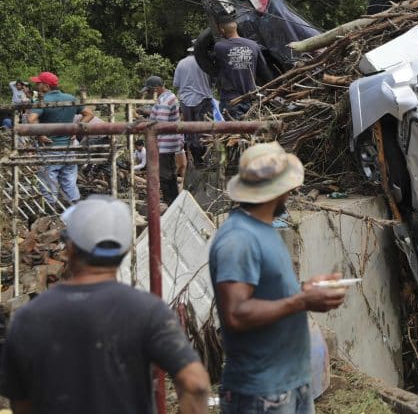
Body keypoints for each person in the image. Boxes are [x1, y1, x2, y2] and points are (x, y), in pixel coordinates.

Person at [0, 195, 211, 413]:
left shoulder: (29, 316)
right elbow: (195, 384)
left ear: (70, 248)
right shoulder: (148, 311)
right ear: (126, 250)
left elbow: (21, 402)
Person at [210, 142, 346, 414]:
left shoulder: (263, 229)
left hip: (289, 384)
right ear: (278, 191)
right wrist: (302, 300)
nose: (293, 191)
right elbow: (236, 314)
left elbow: (268, 294)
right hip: (261, 394)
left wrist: (305, 289)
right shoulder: (238, 240)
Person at [26, 71, 94, 206]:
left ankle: (50, 213)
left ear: (46, 86)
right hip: (69, 147)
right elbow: (89, 114)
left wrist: (40, 134)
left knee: (48, 183)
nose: (36, 86)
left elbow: (31, 118)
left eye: (38, 84)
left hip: (50, 148)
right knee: (69, 181)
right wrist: (76, 128)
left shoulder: (43, 100)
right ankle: (75, 211)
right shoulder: (70, 97)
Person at [213, 20, 272, 119]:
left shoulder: (219, 47)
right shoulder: (254, 45)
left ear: (222, 30)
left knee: (235, 132)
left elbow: (214, 67)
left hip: (231, 100)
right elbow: (264, 72)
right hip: (252, 98)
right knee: (252, 131)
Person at [142, 75, 183, 205]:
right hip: (169, 143)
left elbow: (160, 123)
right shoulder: (166, 98)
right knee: (169, 175)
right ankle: (173, 202)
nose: (148, 93)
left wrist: (144, 122)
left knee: (164, 175)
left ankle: (171, 203)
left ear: (156, 89)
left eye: (149, 90)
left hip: (165, 144)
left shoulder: (165, 100)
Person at [174, 43, 215, 167]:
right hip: (203, 99)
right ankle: (204, 159)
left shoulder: (181, 63)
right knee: (204, 130)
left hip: (186, 101)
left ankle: (197, 160)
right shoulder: (206, 63)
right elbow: (213, 81)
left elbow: (176, 84)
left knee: (190, 131)